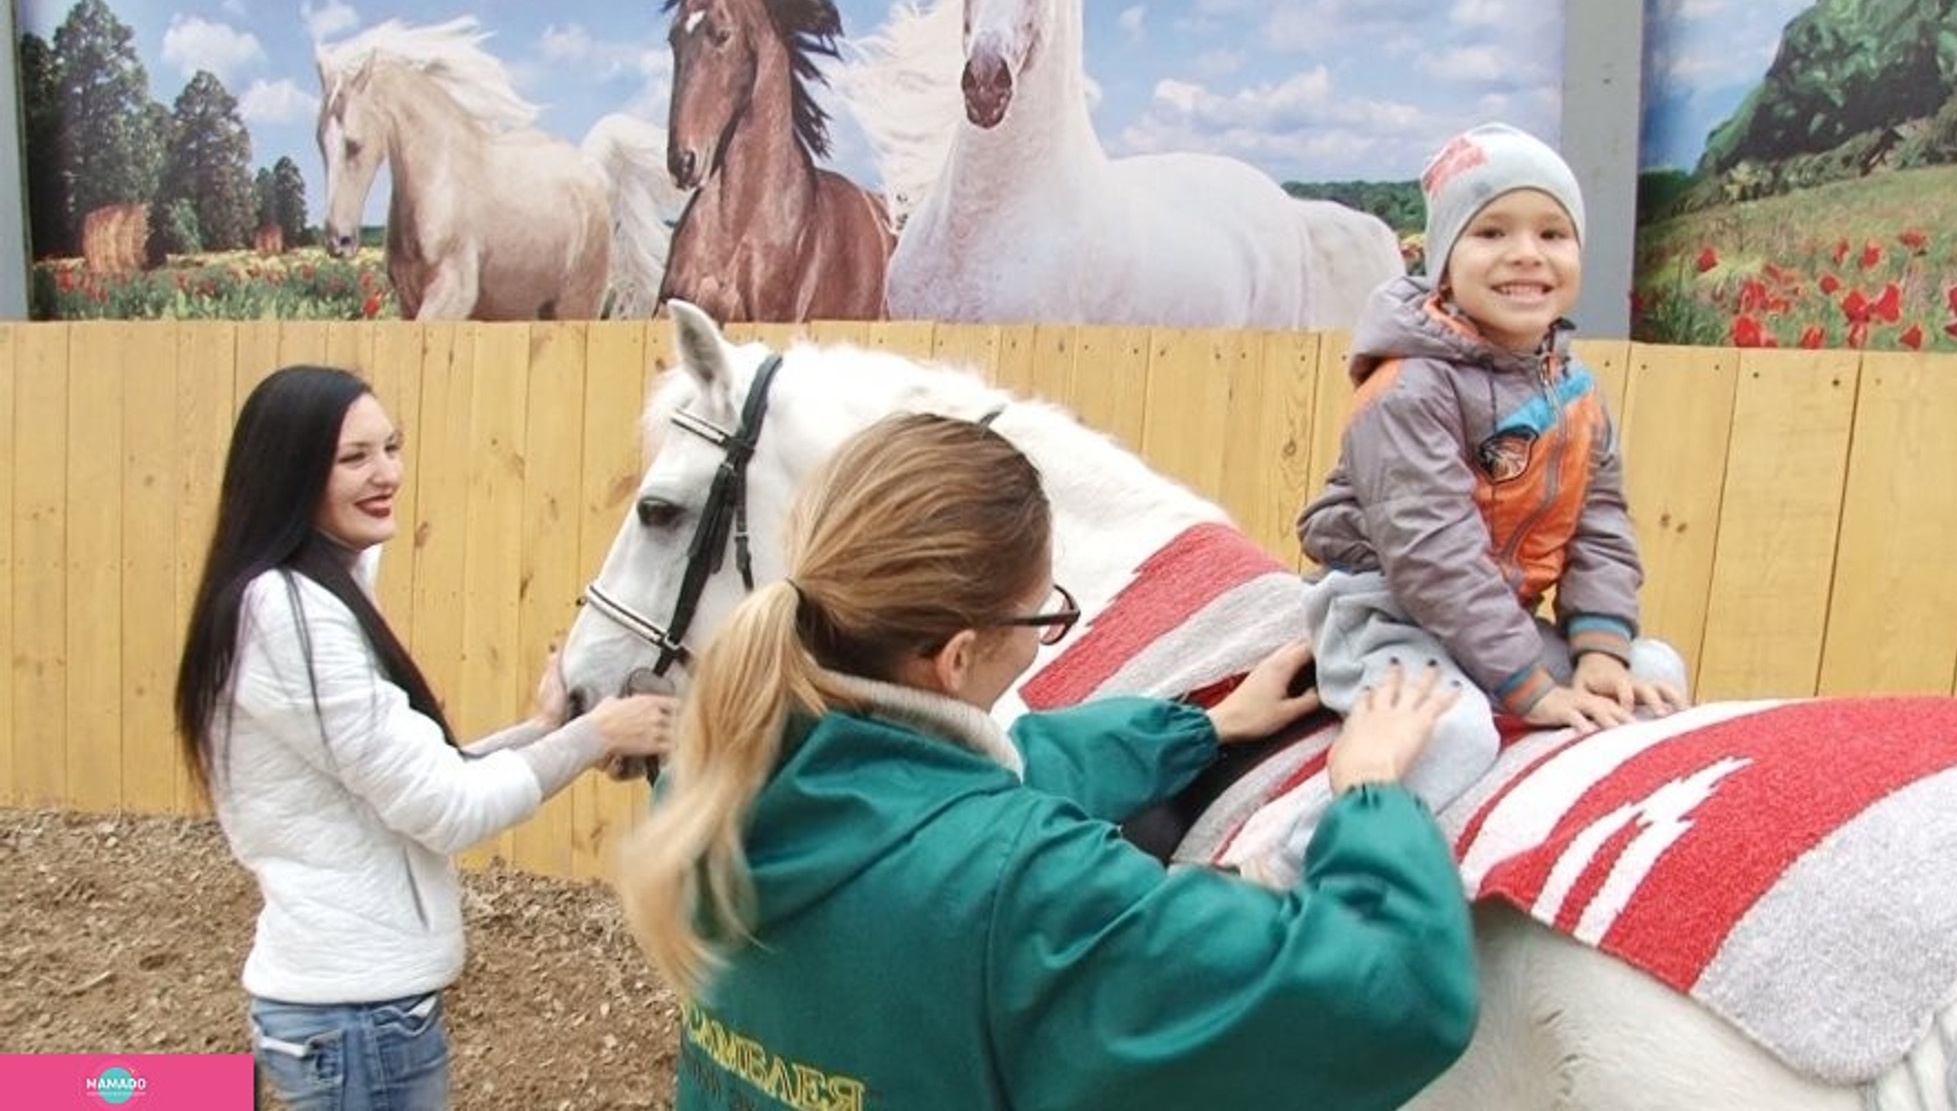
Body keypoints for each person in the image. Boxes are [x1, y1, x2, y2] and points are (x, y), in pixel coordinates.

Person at [616, 412, 1478, 1111]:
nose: (1043, 635)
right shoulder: (1024, 887)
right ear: (956, 660)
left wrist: (1200, 731)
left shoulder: (711, 773)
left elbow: (963, 783)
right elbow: (1396, 995)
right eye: (1042, 618)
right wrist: (1369, 798)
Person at [173, 365, 675, 1111]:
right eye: (354, 458)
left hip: (357, 1016)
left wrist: (545, 730)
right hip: (355, 1023)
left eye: (392, 447)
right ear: (290, 471)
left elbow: (421, 778)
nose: (386, 474)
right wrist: (592, 735)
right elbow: (448, 807)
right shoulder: (290, 616)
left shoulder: (304, 596)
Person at [1297, 122, 1689, 813]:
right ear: (1446, 258)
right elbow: (1433, 556)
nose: (1525, 255)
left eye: (1551, 234)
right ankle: (1293, 868)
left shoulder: (1577, 394)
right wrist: (1527, 685)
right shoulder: (1408, 390)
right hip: (1385, 615)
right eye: (1492, 233)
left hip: (1494, 623)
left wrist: (1599, 648)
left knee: (1651, 674)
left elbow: (1600, 526)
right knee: (1453, 736)